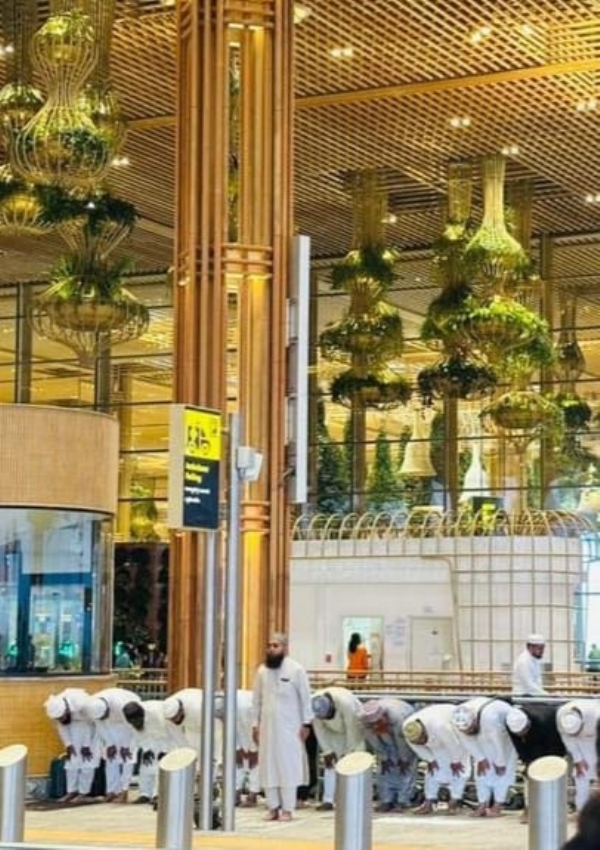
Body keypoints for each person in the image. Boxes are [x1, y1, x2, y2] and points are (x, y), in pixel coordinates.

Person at [251, 632, 313, 823]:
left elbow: (305, 698)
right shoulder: (262, 671)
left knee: (288, 767)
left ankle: (287, 809)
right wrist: (255, 724)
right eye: (269, 645)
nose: (271, 649)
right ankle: (273, 807)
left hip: (290, 728)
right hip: (267, 729)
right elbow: (256, 701)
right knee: (268, 766)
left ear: (284, 648)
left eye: (275, 645)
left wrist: (306, 723)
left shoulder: (296, 670)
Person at [452, 697, 518, 817]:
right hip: (486, 730)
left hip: (505, 735)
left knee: (502, 772)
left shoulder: (490, 719)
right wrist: (480, 759)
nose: (470, 732)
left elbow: (497, 742)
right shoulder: (457, 717)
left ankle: (497, 806)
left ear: (475, 721)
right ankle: (482, 804)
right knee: (482, 770)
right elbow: (466, 741)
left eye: (471, 729)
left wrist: (500, 762)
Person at [402, 703, 470, 815]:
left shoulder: (439, 726)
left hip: (456, 735)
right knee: (432, 771)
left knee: (459, 771)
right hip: (435, 743)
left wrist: (456, 760)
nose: (420, 742)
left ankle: (454, 802)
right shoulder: (408, 729)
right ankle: (428, 802)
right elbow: (416, 747)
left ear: (423, 731)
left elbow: (453, 744)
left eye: (421, 739)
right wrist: (430, 759)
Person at [505, 703, 566, 823]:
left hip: (555, 742)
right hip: (537, 743)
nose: (521, 734)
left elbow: (554, 748)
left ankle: (550, 809)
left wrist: (546, 766)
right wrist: (526, 761)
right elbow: (519, 745)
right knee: (529, 776)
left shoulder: (544, 723)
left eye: (523, 731)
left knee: (551, 777)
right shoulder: (510, 722)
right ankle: (529, 809)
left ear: (528, 724)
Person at [311, 687, 365, 811]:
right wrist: (327, 751)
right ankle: (328, 800)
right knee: (331, 764)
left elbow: (352, 729)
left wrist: (348, 752)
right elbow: (319, 730)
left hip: (353, 729)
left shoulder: (346, 703)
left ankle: (351, 799)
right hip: (332, 732)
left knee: (353, 764)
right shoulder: (314, 706)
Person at [85, 687, 141, 803]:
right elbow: (100, 725)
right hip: (110, 726)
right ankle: (111, 791)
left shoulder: (122, 704)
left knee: (128, 758)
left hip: (128, 724)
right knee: (111, 756)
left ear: (107, 709)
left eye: (104, 715)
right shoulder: (92, 707)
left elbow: (131, 726)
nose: (103, 718)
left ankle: (124, 791)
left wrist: (126, 746)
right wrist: (110, 744)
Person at [45, 688, 100, 803]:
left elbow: (89, 724)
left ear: (67, 710)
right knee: (72, 763)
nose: (61, 719)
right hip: (74, 731)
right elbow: (62, 727)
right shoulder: (57, 709)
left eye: (62, 717)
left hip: (91, 731)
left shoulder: (82, 703)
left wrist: (86, 745)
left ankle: (83, 793)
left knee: (87, 763)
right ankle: (71, 791)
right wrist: (68, 744)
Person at [362, 697, 417, 813]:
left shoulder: (398, 717)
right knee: (385, 767)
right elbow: (372, 739)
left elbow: (402, 742)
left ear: (384, 716)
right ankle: (386, 800)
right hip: (386, 735)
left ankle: (403, 801)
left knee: (406, 767)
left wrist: (404, 758)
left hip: (404, 735)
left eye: (377, 723)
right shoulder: (365, 721)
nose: (375, 726)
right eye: (373, 725)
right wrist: (384, 756)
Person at [123, 699, 180, 805]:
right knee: (146, 767)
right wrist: (145, 749)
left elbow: (166, 733)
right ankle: (145, 794)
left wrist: (164, 751)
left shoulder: (156, 713)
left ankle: (157, 795)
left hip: (167, 740)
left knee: (160, 767)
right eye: (132, 722)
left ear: (142, 716)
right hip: (149, 742)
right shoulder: (130, 719)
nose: (135, 724)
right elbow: (137, 734)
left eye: (137, 721)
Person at [214, 690, 260, 807]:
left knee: (254, 761)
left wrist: (252, 749)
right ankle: (236, 791)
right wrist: (237, 748)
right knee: (234, 758)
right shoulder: (222, 704)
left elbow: (251, 730)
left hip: (257, 728)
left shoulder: (246, 707)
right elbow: (230, 730)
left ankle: (253, 793)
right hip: (241, 729)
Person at [556, 700, 600, 812]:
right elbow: (566, 738)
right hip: (576, 743)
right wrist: (578, 759)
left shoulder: (596, 714)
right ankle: (581, 811)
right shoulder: (561, 714)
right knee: (581, 774)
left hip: (595, 738)